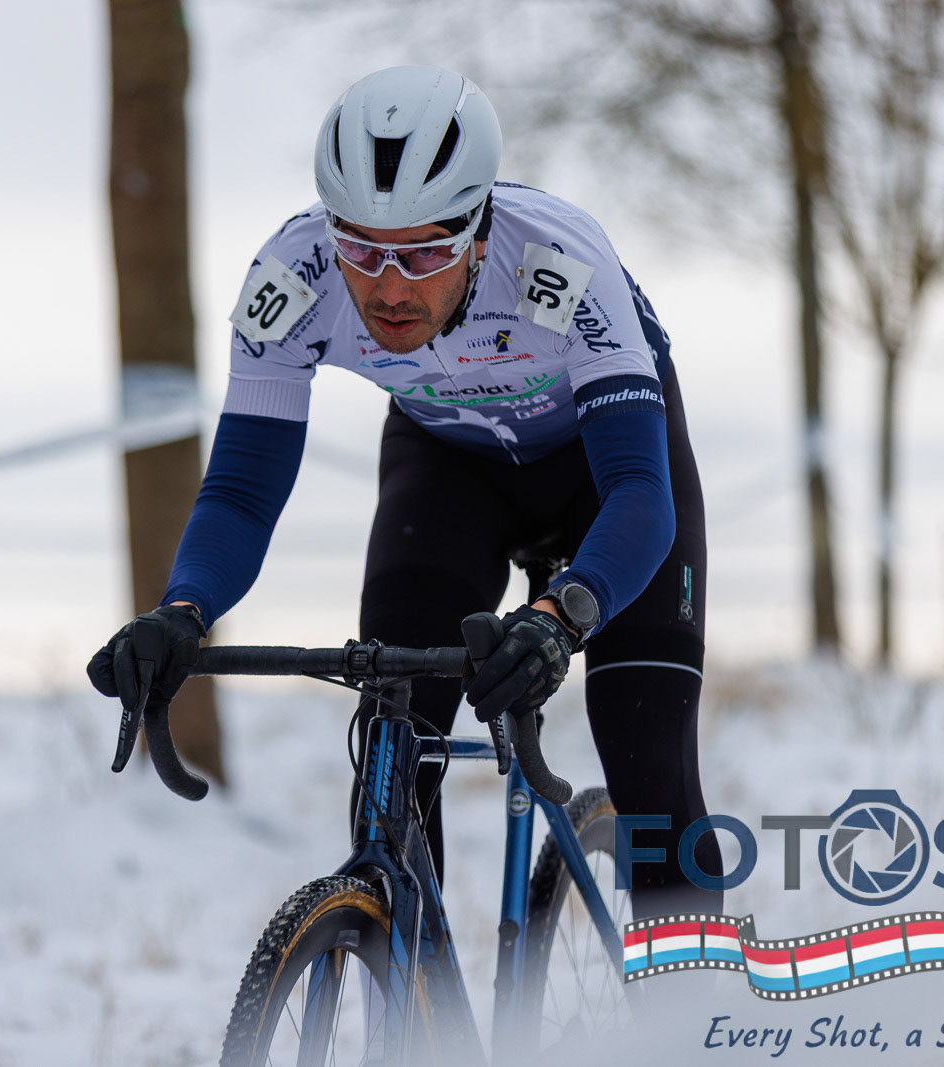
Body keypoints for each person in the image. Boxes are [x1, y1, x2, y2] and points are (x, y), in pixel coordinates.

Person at [90, 65, 720, 919]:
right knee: (392, 749)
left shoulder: (563, 261)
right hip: (450, 469)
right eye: (360, 250)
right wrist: (183, 608)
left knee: (649, 766)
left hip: (604, 478)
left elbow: (641, 495)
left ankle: (686, 996)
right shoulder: (293, 277)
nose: (389, 288)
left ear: (479, 232)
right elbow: (240, 491)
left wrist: (561, 616)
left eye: (424, 253)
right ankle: (411, 978)